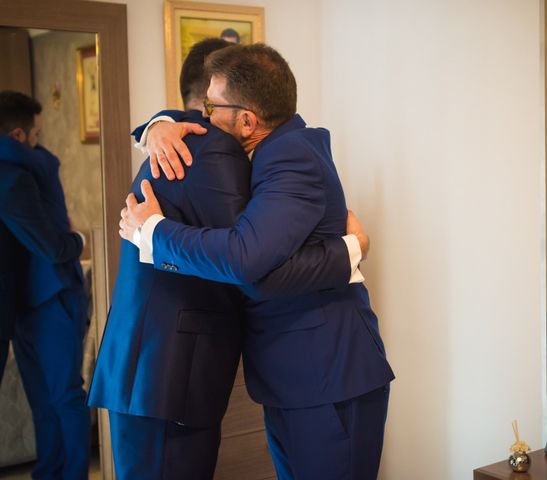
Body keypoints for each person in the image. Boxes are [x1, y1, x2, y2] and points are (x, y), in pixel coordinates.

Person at [89, 38, 360, 480]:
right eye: (207, 108)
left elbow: (245, 256)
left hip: (157, 372)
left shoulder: (192, 143)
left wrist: (157, 123)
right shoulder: (212, 152)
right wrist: (348, 252)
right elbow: (248, 265)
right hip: (168, 377)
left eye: (212, 109)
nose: (207, 118)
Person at [0, 90, 90, 479]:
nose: (41, 141)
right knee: (43, 399)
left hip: (54, 293)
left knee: (64, 395)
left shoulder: (31, 165)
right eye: (36, 133)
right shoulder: (18, 169)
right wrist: (79, 241)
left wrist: (79, 241)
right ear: (19, 135)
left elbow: (54, 245)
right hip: (25, 299)